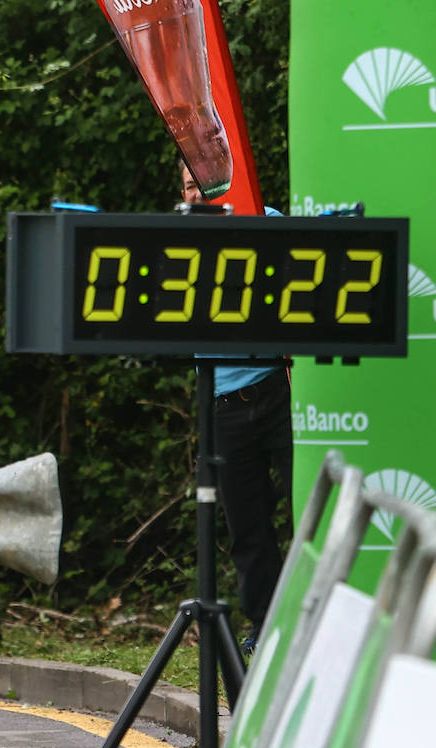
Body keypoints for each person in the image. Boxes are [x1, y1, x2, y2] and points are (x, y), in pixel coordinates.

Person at [180, 159, 293, 657]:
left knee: (306, 506)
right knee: (247, 526)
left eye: (200, 181)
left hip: (278, 389)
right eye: (187, 185)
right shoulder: (178, 238)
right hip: (222, 401)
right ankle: (265, 624)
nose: (196, 192)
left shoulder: (263, 218)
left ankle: (315, 616)